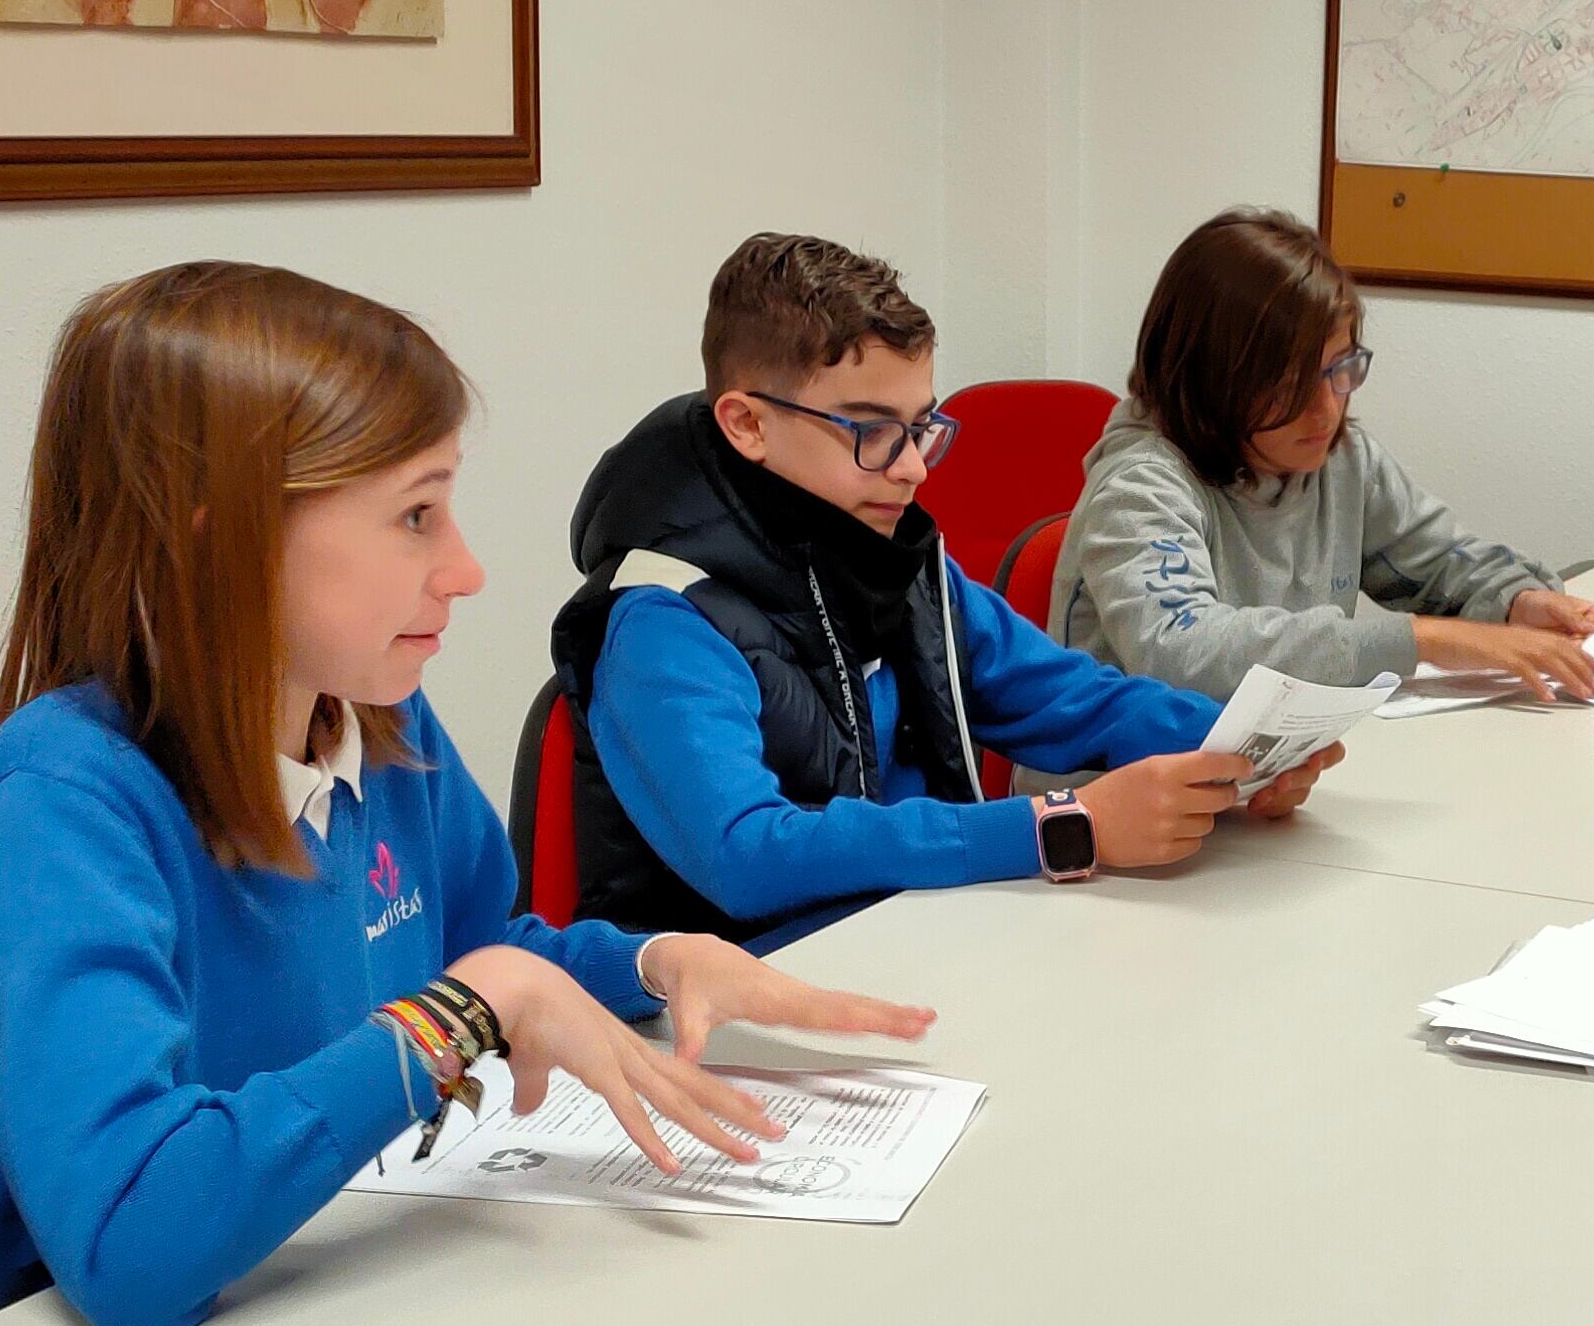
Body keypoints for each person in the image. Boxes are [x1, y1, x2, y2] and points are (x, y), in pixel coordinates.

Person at [0, 263, 932, 1326]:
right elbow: (128, 1251)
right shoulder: (61, 807)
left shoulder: (381, 722)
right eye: (415, 515)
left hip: (325, 1312)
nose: (464, 569)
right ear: (217, 542)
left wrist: (652, 964)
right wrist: (462, 1011)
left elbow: (487, 948)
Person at [557, 232, 1332, 939]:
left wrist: (1245, 741)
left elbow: (1067, 697)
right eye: (869, 431)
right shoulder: (661, 620)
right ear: (748, 425)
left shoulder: (896, 560)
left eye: (921, 425)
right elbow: (748, 855)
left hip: (917, 949)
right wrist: (1061, 826)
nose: (912, 467)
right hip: (730, 1018)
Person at [1052, 208, 1594, 702]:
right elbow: (1183, 651)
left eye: (1340, 369)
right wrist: (1423, 639)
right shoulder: (1140, 485)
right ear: (1211, 379)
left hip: (1264, 775)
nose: (1326, 410)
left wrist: (1516, 600)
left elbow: (1438, 561)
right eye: (1288, 384)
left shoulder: (1339, 460)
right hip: (1116, 798)